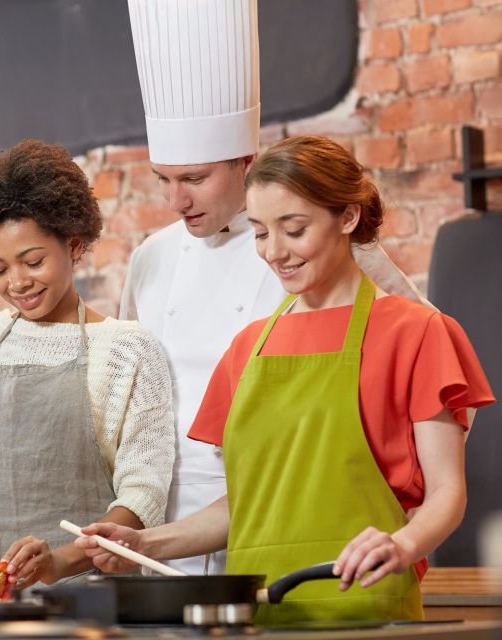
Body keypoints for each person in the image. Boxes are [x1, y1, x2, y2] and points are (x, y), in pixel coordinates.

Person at [77, 135, 495, 623]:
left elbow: (448, 492)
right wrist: (145, 543)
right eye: (259, 233)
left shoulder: (417, 333)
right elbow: (247, 505)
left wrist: (402, 545)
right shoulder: (248, 347)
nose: (275, 252)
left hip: (365, 603)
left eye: (293, 229)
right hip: (259, 610)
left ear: (348, 217)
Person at [120, 0, 427, 575]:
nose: (175, 201)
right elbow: (138, 399)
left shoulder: (323, 249)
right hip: (170, 528)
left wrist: (393, 507)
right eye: (163, 179)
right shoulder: (151, 258)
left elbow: (422, 374)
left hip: (300, 519)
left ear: (245, 161)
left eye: (194, 179)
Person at [0, 140, 175, 587]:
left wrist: (60, 561)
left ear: (74, 245)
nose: (18, 282)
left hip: (92, 598)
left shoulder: (127, 350)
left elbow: (143, 497)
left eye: (33, 261)